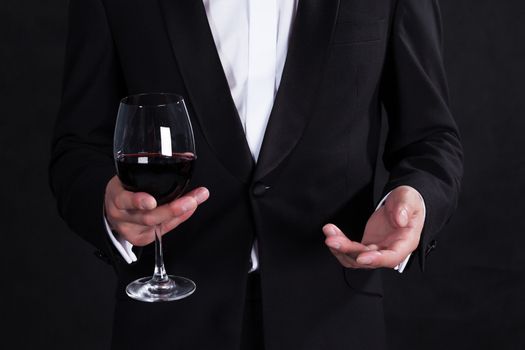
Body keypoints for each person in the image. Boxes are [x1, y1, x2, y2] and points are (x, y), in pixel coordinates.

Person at [50, 0, 463, 349]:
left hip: (334, 322)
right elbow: (78, 149)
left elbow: (431, 138)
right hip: (168, 324)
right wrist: (107, 205)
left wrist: (416, 196)